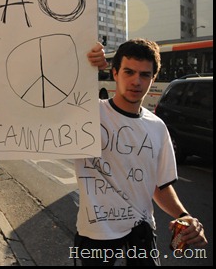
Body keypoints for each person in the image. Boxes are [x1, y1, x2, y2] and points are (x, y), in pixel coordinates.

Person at [76, 39, 207, 266]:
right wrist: (80, 64)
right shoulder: (88, 113)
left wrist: (184, 216)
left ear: (153, 79)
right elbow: (49, 99)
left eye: (145, 75)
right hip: (96, 236)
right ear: (114, 73)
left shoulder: (157, 127)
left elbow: (161, 185)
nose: (136, 81)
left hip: (142, 233)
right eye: (129, 72)